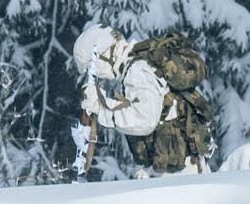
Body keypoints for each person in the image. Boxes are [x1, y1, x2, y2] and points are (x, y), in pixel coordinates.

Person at [72, 23, 213, 177]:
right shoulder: (140, 62)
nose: (97, 74)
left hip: (180, 173)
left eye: (92, 68)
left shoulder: (137, 71)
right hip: (179, 167)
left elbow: (145, 119)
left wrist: (100, 108)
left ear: (104, 54)